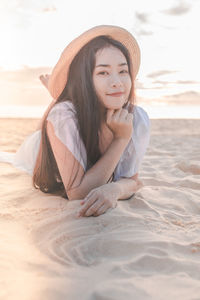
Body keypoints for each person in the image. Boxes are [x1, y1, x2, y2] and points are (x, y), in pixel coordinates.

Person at [6, 25, 151, 218]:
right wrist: (120, 139)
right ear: (86, 79)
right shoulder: (64, 117)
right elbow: (77, 193)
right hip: (37, 149)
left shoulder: (137, 117)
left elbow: (133, 180)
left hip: (78, 110)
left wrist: (114, 189)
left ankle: (60, 92)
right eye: (103, 73)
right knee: (61, 111)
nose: (117, 82)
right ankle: (60, 95)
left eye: (123, 71)